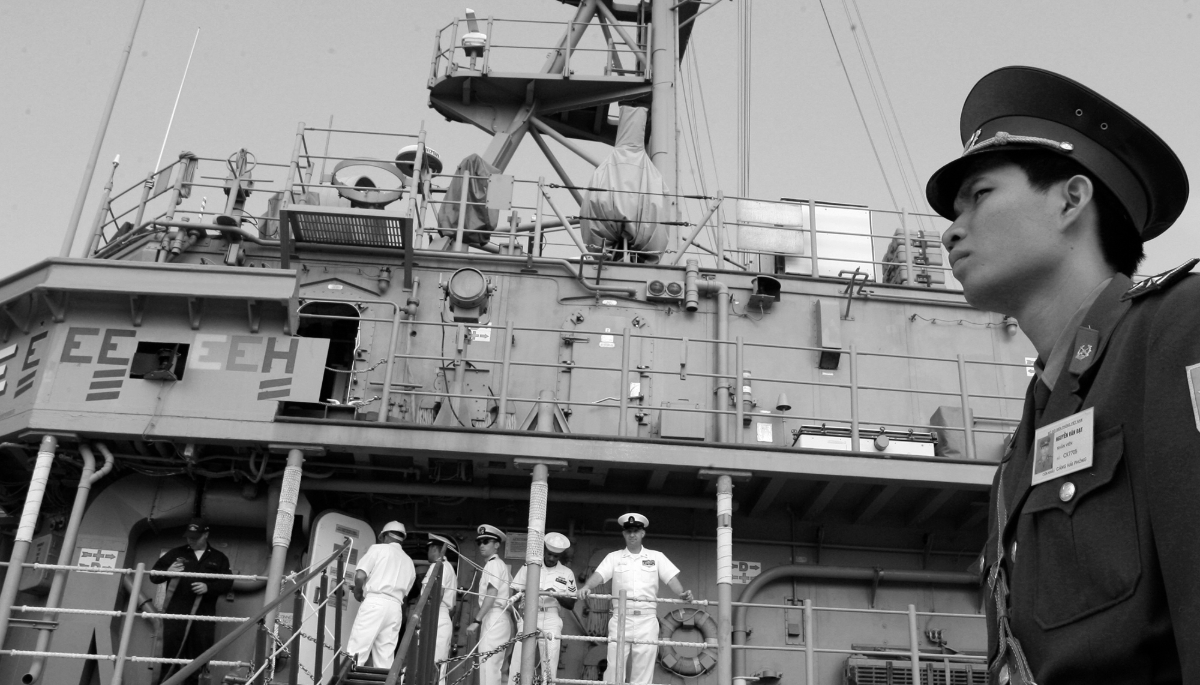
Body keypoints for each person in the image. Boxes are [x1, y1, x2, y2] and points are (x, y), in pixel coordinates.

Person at [925, 66, 1196, 684]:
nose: (950, 229)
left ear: (1072, 200)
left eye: (980, 195)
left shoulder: (1180, 331)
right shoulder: (1032, 432)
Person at [578, 513, 692, 684]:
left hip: (646, 619)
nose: (632, 534)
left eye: (636, 531)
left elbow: (671, 578)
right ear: (624, 534)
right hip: (620, 618)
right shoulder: (614, 558)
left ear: (642, 534)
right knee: (614, 668)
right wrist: (587, 587)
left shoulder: (656, 557)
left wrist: (682, 593)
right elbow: (600, 575)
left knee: (643, 670)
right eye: (629, 531)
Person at [149, 518, 232, 685]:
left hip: (203, 617)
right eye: (189, 537)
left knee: (197, 658)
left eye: (196, 537)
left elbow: (227, 582)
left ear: (206, 535)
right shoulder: (176, 554)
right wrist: (167, 572)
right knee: (168, 655)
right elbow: (153, 575)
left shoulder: (219, 558)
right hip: (175, 614)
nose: (191, 540)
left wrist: (208, 588)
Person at [508, 532, 577, 683]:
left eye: (556, 556)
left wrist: (556, 595)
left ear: (560, 556)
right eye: (549, 554)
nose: (552, 558)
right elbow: (515, 591)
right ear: (545, 551)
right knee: (518, 660)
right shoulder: (530, 567)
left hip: (551, 618)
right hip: (529, 616)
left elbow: (571, 603)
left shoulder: (567, 573)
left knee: (549, 662)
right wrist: (519, 619)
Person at [346, 521, 416, 669]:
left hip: (375, 603)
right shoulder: (409, 562)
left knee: (357, 652)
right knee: (384, 659)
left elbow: (359, 576)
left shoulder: (378, 549)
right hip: (395, 609)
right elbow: (405, 593)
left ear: (384, 536)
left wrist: (359, 591)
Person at [465, 524, 512, 685]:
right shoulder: (497, 565)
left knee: (489, 667)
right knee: (492, 667)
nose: (482, 546)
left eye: (486, 541)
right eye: (480, 542)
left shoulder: (494, 564)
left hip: (494, 617)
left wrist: (476, 621)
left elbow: (491, 595)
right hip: (496, 618)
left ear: (497, 545)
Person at [423, 533, 459, 685]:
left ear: (434, 548)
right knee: (436, 665)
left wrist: (424, 618)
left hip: (435, 616)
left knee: (434, 665)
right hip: (441, 615)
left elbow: (438, 592)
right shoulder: (448, 566)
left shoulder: (439, 565)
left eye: (429, 548)